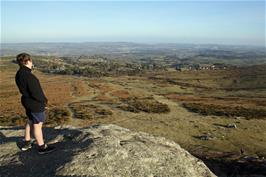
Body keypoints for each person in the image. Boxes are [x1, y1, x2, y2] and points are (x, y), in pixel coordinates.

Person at [15, 53, 55, 154]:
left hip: (26, 101)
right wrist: (44, 102)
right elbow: (36, 93)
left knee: (30, 121)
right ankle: (42, 147)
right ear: (27, 61)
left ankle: (27, 142)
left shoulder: (19, 74)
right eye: (31, 61)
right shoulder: (29, 76)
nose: (32, 63)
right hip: (34, 104)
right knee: (37, 125)